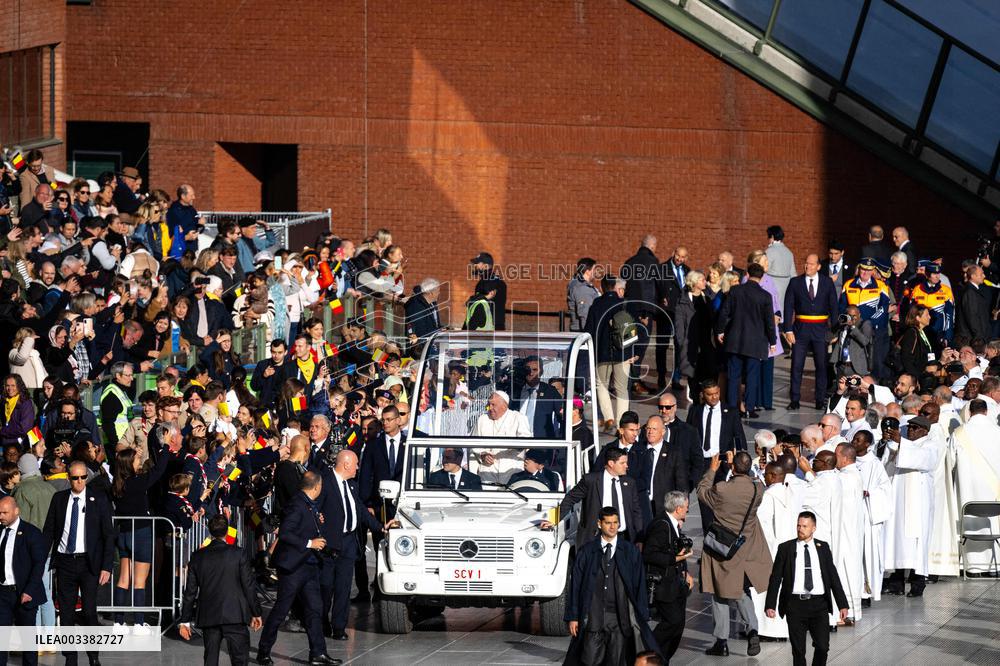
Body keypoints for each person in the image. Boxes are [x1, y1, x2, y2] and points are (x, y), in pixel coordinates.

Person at [256, 472, 340, 666]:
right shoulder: (297, 504)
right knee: (281, 609)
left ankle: (318, 652)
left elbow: (304, 525)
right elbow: (285, 533)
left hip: (309, 566)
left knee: (314, 609)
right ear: (316, 487)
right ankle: (264, 651)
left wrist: (317, 522)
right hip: (293, 568)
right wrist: (310, 542)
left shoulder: (308, 503)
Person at [562, 506, 659, 665]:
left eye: (616, 522)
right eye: (608, 523)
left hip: (619, 621)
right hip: (593, 618)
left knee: (616, 662)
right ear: (600, 524)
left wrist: (643, 614)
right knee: (589, 661)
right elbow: (576, 586)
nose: (613, 526)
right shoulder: (587, 552)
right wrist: (573, 616)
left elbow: (639, 585)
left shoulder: (630, 552)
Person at [42, 460, 115, 666]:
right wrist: (39, 558)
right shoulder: (59, 499)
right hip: (65, 562)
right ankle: (70, 658)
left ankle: (93, 655)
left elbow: (108, 535)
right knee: (65, 613)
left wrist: (106, 566)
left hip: (89, 563)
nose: (80, 481)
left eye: (83, 477)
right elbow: (49, 532)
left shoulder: (98, 499)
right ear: (69, 478)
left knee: (89, 612)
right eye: (75, 478)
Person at [698, 451, 771, 657]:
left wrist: (712, 469)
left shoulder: (722, 489)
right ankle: (753, 629)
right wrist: (737, 466)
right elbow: (755, 479)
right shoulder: (758, 489)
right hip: (747, 546)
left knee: (720, 591)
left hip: (723, 547)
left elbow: (702, 492)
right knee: (740, 590)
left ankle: (721, 641)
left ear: (732, 467)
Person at [315, 450, 390, 641]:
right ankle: (322, 621)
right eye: (356, 464)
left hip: (348, 544)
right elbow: (314, 508)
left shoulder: (352, 486)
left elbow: (362, 512)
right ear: (346, 464)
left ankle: (339, 627)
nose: (358, 468)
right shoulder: (325, 482)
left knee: (343, 588)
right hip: (329, 544)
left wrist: (381, 528)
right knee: (326, 587)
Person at [764, 511, 849, 666]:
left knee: (823, 647)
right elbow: (776, 578)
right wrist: (770, 604)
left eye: (804, 526)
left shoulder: (823, 548)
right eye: (798, 525)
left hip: (819, 604)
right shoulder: (786, 548)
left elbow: (833, 577)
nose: (800, 529)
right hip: (795, 605)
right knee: (798, 651)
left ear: (813, 528)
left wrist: (842, 604)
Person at [178, 515, 263, 666]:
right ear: (227, 531)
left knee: (210, 659)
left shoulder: (197, 556)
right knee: (240, 659)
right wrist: (256, 612)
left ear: (210, 532)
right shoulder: (239, 553)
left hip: (209, 614)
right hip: (235, 614)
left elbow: (190, 591)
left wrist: (185, 621)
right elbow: (248, 585)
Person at [881, 416, 944, 597]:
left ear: (924, 430)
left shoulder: (930, 446)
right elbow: (887, 464)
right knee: (896, 540)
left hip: (917, 505)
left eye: (915, 428)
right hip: (898, 502)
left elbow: (922, 460)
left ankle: (918, 583)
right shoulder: (905, 444)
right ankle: (896, 583)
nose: (910, 430)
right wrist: (892, 445)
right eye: (909, 427)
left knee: (917, 544)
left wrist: (901, 443)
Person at [715, 263, 776, 417]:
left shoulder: (735, 291)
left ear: (747, 274)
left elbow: (724, 312)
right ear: (761, 278)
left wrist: (720, 331)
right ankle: (749, 408)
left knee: (733, 375)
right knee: (752, 376)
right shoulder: (765, 296)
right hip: (755, 343)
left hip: (735, 340)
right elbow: (769, 321)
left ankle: (731, 407)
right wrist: (772, 341)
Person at [686, 380, 746, 526]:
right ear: (703, 395)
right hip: (702, 463)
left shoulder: (730, 412)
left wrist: (739, 460)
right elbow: (687, 436)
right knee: (705, 504)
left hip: (722, 462)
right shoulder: (695, 411)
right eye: (710, 394)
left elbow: (739, 437)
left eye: (716, 393)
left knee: (721, 502)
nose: (714, 397)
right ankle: (708, 538)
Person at [643, 490, 694, 662]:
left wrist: (685, 572)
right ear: (678, 508)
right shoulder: (661, 525)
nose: (688, 510)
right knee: (672, 621)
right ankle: (648, 655)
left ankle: (662, 659)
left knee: (678, 625)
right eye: (686, 507)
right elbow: (649, 554)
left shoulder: (672, 523)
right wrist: (675, 558)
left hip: (676, 583)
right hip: (664, 585)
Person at [555, 447, 644, 545]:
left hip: (623, 538)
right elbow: (570, 498)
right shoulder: (591, 480)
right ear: (611, 463)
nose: (626, 466)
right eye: (622, 463)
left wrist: (639, 538)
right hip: (596, 538)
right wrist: (555, 519)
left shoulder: (629, 483)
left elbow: (636, 511)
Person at [951, 399, 1000, 574]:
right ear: (986, 412)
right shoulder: (998, 432)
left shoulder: (959, 433)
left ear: (970, 412)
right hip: (995, 492)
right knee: (994, 522)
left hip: (968, 491)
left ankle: (972, 566)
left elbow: (950, 461)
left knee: (969, 521)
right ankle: (996, 566)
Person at [783, 254, 838, 410]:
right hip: (800, 329)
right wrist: (788, 329)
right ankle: (794, 399)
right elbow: (788, 306)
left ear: (819, 266)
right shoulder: (795, 282)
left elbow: (834, 307)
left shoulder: (827, 283)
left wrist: (834, 331)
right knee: (797, 365)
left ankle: (819, 399)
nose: (808, 267)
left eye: (812, 264)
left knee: (821, 365)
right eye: (806, 263)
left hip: (821, 329)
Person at [0, 496, 47, 666]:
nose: (1, 516)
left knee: (27, 639)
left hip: (24, 592)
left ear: (16, 511)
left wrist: (29, 590)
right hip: (3, 593)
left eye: (5, 512)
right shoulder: (0, 531)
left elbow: (38, 565)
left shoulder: (31, 533)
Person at [585, 275, 636, 432]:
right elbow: (633, 330)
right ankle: (622, 425)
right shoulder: (624, 304)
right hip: (623, 353)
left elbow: (589, 331)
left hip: (602, 354)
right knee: (622, 389)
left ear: (602, 288)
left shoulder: (596, 305)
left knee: (601, 385)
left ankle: (609, 419)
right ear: (615, 287)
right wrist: (632, 352)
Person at [852, 430, 892, 608]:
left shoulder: (874, 464)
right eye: (854, 439)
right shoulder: (848, 460)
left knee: (866, 553)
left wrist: (870, 493)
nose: (854, 442)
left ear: (867, 444)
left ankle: (866, 590)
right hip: (852, 514)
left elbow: (885, 489)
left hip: (868, 514)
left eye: (858, 440)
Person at [621, 235, 660, 394]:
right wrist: (645, 313)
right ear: (652, 246)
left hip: (629, 310)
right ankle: (634, 381)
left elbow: (623, 285)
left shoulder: (629, 262)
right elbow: (649, 289)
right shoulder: (652, 262)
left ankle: (627, 380)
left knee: (629, 344)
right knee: (640, 347)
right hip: (644, 312)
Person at [639, 415, 689, 520]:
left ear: (663, 431)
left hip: (664, 508)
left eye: (654, 429)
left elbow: (681, 483)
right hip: (641, 507)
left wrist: (681, 515)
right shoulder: (638, 450)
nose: (650, 431)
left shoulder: (674, 452)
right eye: (648, 428)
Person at [657, 246, 690, 390]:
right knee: (662, 345)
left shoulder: (688, 270)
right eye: (678, 255)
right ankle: (661, 377)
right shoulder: (662, 268)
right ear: (673, 253)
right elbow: (656, 288)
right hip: (666, 312)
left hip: (681, 314)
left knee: (680, 346)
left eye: (683, 257)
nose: (679, 259)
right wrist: (660, 299)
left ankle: (676, 378)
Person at [100, 361, 135, 447]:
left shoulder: (121, 391)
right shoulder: (111, 395)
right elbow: (108, 424)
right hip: (117, 444)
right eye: (128, 375)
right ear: (118, 376)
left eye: (132, 375)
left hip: (125, 442)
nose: (132, 378)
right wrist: (116, 445)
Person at [470, 251, 507, 331]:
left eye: (477, 263)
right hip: (490, 327)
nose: (475, 265)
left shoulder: (491, 283)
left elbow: (480, 305)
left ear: (486, 266)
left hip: (489, 329)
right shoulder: (484, 282)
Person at [955, 264, 991, 343]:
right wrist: (979, 337)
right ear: (973, 276)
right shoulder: (970, 292)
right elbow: (972, 316)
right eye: (981, 274)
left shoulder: (975, 291)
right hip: (971, 339)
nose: (984, 276)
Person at [765, 225, 796, 313]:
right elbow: (793, 274)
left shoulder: (769, 251)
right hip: (786, 288)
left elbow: (763, 270)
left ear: (772, 237)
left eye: (768, 237)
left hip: (771, 287)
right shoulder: (789, 252)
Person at [567, 258, 600, 332]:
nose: (596, 272)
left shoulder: (584, 286)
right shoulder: (582, 288)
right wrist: (588, 334)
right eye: (594, 269)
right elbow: (584, 314)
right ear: (588, 272)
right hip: (582, 331)